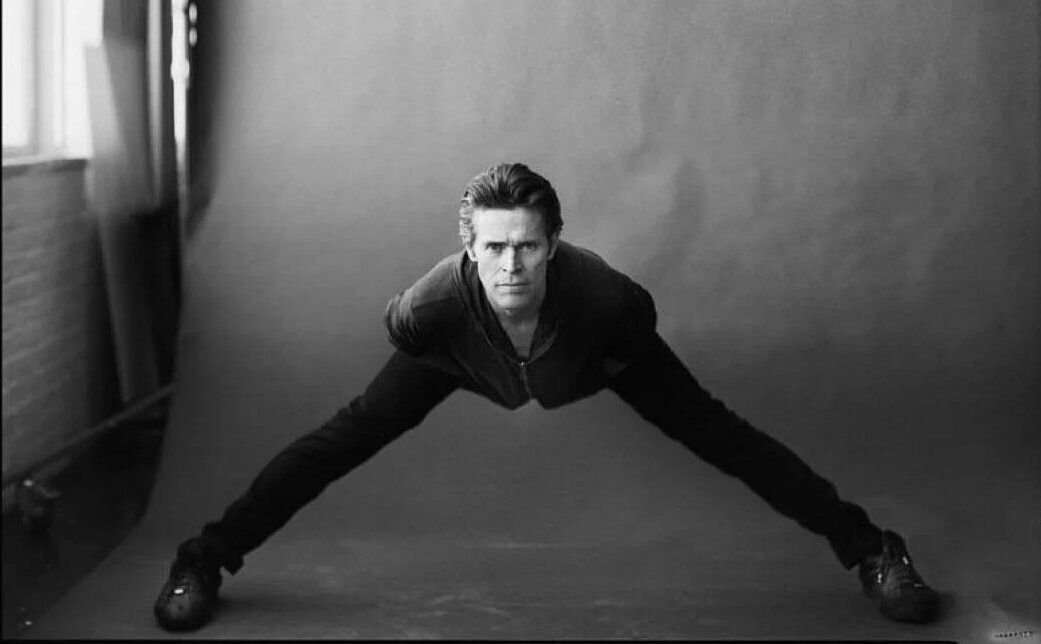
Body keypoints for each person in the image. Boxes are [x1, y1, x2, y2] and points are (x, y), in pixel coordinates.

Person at [153, 163, 940, 632]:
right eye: (494, 247)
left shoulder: (606, 300)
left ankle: (875, 552)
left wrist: (577, 368)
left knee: (724, 436)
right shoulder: (431, 308)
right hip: (465, 360)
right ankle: (202, 562)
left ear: (552, 244)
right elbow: (399, 332)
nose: (511, 265)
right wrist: (479, 358)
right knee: (339, 440)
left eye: (527, 246)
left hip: (587, 359)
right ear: (469, 248)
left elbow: (637, 332)